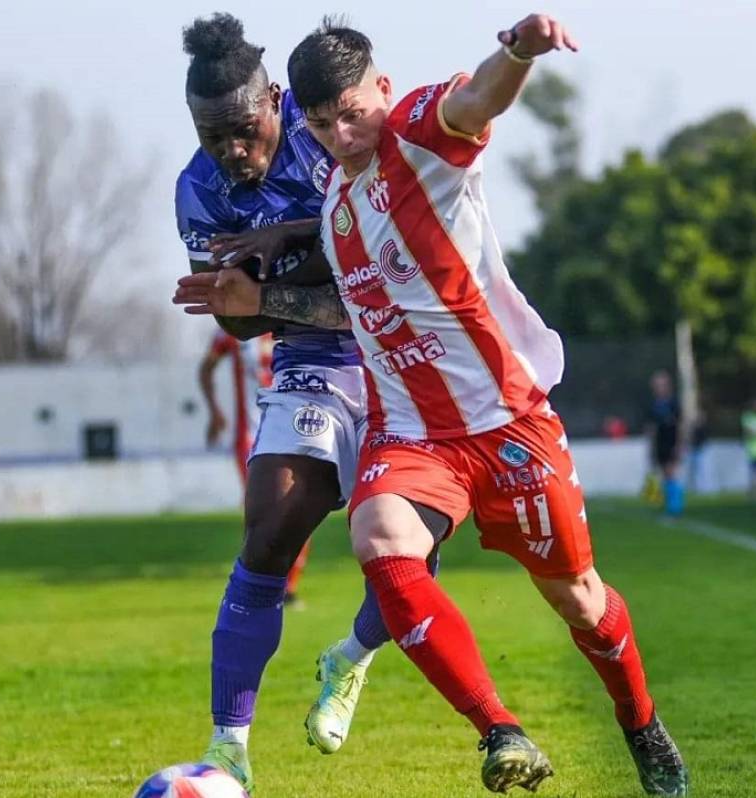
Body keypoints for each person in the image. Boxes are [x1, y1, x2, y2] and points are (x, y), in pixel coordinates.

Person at [177, 13, 689, 796]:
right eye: (325, 124)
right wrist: (264, 271)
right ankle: (499, 731)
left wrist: (518, 50)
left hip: (506, 419)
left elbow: (476, 101)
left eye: (351, 114)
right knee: (376, 534)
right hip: (411, 428)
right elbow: (312, 294)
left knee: (579, 602)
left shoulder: (416, 129)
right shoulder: (331, 194)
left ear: (381, 90)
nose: (341, 136)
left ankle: (641, 724)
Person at [171, 15, 442, 791]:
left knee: (410, 561)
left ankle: (348, 659)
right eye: (211, 134)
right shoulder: (196, 188)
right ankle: (228, 747)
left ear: (276, 103)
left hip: (404, 358)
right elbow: (234, 314)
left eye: (244, 130)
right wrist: (255, 296)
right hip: (311, 363)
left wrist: (274, 271)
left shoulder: (331, 132)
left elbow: (375, 263)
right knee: (271, 523)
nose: (232, 151)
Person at [199, 330, 310, 606]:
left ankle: (289, 587)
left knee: (299, 506)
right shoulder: (234, 326)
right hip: (250, 435)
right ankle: (258, 585)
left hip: (292, 429)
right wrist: (214, 411)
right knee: (262, 512)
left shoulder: (293, 318)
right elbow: (206, 368)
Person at [645, 371, 684, 515]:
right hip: (659, 444)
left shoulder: (673, 403)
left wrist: (679, 445)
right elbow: (651, 427)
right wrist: (651, 446)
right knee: (665, 474)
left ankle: (675, 507)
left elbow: (680, 425)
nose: (658, 388)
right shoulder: (654, 405)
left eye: (661, 385)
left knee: (671, 472)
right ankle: (669, 505)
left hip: (671, 442)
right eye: (656, 385)